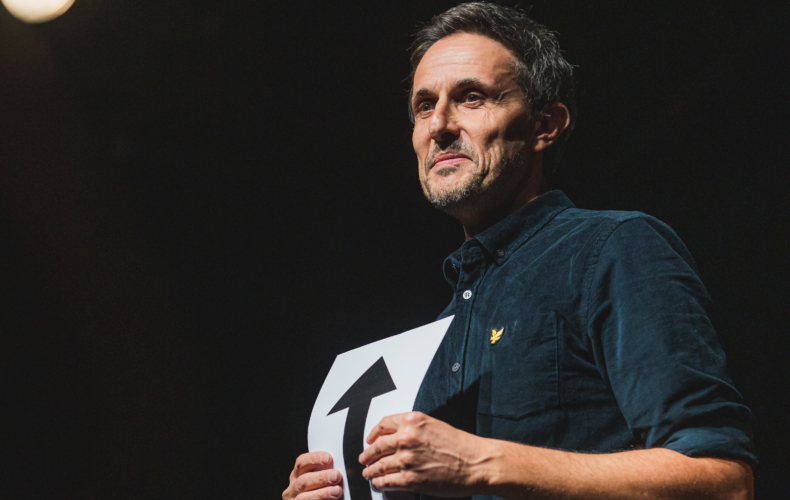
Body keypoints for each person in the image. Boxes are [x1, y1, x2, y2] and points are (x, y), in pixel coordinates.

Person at [282, 3, 756, 499]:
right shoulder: (437, 337)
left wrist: (481, 462)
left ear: (545, 125)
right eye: (424, 106)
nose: (439, 124)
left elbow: (724, 482)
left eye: (471, 97)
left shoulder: (613, 249)